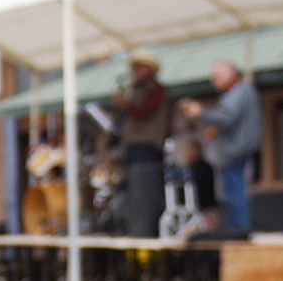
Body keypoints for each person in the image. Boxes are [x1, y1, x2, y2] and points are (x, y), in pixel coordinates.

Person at [181, 60, 262, 238]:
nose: (214, 82)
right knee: (235, 191)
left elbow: (226, 117)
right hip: (239, 150)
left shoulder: (238, 93)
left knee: (235, 191)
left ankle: (240, 230)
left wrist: (201, 112)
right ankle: (239, 228)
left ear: (230, 73)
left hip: (236, 151)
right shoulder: (244, 92)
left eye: (217, 77)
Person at [111, 53, 169, 237]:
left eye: (138, 67)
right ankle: (135, 230)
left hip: (147, 149)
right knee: (135, 194)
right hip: (135, 149)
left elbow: (144, 112)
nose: (134, 72)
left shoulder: (155, 90)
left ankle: (143, 233)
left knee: (144, 193)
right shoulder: (137, 89)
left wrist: (125, 104)